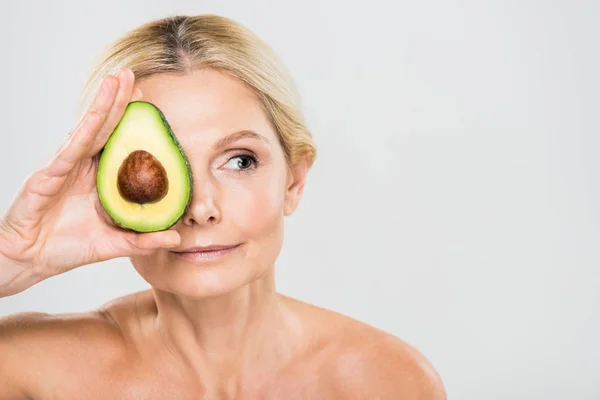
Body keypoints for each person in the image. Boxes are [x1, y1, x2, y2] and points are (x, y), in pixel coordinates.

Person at [0, 14, 446, 399]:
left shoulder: (387, 382)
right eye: (156, 168)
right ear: (105, 186)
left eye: (239, 161)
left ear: (295, 179)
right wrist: (12, 260)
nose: (201, 208)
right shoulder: (29, 370)